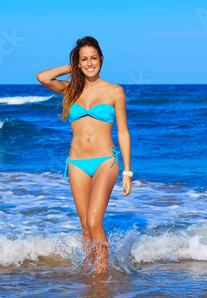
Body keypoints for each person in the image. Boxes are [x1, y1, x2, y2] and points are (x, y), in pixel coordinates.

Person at [36, 36, 133, 274]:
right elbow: (43, 77)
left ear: (102, 59)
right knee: (85, 227)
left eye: (94, 58)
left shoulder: (114, 91)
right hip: (77, 163)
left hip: (105, 161)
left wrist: (128, 171)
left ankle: (101, 278)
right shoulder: (71, 89)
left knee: (94, 221)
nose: (90, 63)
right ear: (78, 63)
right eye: (84, 59)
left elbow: (123, 131)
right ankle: (90, 272)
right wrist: (75, 66)